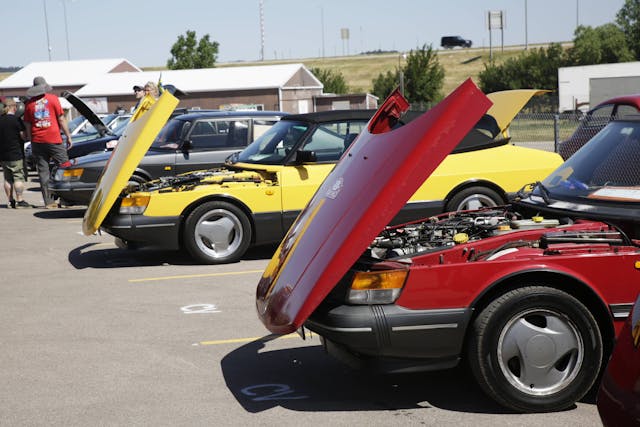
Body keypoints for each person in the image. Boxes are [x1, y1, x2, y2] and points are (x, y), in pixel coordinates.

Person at [22, 76, 72, 208]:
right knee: (64, 167)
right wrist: (68, 136)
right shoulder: (53, 99)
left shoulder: (29, 104)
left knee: (43, 173)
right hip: (54, 139)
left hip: (38, 141)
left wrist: (31, 140)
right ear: (44, 86)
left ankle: (49, 202)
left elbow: (27, 124)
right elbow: (61, 119)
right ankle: (67, 199)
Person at [0, 98, 29, 208]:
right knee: (18, 177)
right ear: (14, 107)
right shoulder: (16, 120)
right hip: (15, 153)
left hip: (3, 155)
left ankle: (10, 200)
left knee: (7, 178)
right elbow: (23, 136)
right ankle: (20, 200)